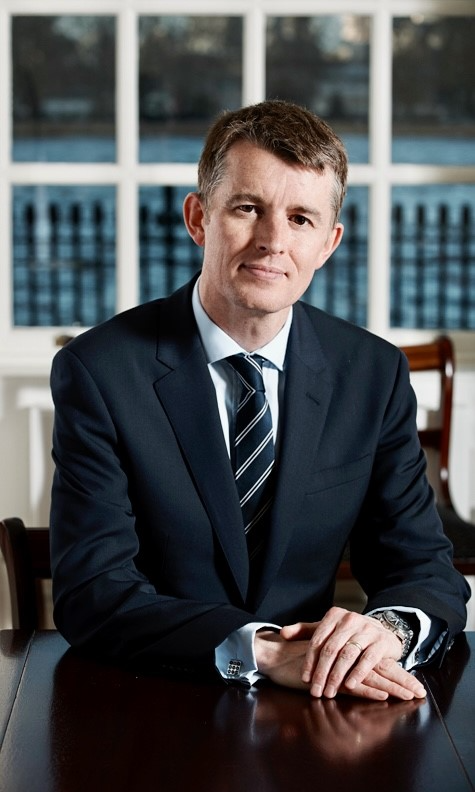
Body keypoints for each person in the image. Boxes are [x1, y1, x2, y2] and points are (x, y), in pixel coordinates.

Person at [49, 99, 470, 702]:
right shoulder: (100, 372)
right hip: (147, 696)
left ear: (330, 242)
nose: (274, 241)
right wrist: (262, 649)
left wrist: (385, 631)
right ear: (199, 219)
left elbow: (424, 568)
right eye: (249, 209)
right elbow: (93, 592)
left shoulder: (372, 375)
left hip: (319, 705)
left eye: (302, 218)